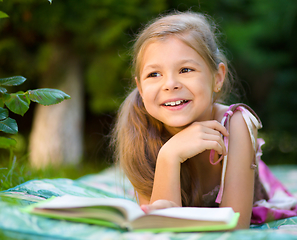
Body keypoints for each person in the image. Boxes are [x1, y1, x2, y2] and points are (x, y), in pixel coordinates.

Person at [111, 11, 297, 229]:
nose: (170, 84)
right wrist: (169, 156)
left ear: (217, 77)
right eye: (154, 74)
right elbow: (160, 228)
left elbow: (236, 226)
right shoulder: (139, 130)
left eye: (185, 69)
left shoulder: (235, 123)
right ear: (140, 88)